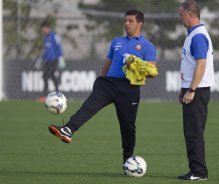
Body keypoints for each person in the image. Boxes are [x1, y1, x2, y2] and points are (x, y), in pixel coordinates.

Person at [48, 10, 157, 167]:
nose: (126, 23)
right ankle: (68, 130)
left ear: (140, 23)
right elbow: (108, 61)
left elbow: (153, 71)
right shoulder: (116, 41)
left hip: (129, 88)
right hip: (107, 84)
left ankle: (128, 159)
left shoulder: (147, 46)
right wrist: (101, 78)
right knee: (88, 107)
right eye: (125, 20)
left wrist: (137, 66)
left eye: (131, 21)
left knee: (127, 126)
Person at [178, 1, 215, 181]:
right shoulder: (192, 34)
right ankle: (196, 170)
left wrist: (191, 89)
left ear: (190, 15)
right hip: (192, 88)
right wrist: (183, 88)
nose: (180, 18)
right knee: (191, 131)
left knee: (194, 131)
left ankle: (199, 172)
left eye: (181, 15)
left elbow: (201, 64)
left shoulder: (198, 36)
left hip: (197, 90)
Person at [37, 20, 65, 102]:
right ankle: (58, 92)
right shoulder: (45, 37)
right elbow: (46, 50)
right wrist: (41, 59)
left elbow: (58, 47)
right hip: (47, 60)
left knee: (45, 76)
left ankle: (45, 95)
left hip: (53, 60)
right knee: (51, 75)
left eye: (43, 28)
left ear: (46, 27)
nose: (42, 30)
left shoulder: (54, 36)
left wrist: (61, 58)